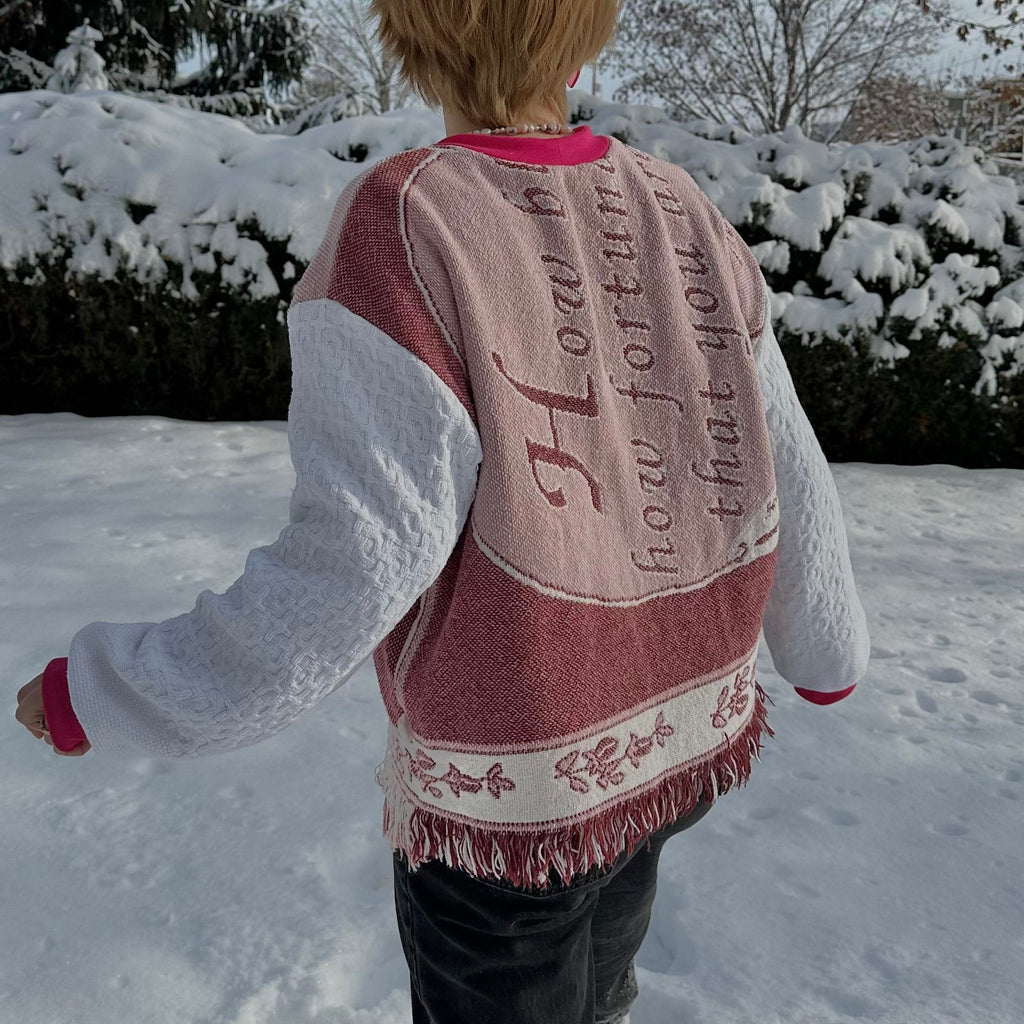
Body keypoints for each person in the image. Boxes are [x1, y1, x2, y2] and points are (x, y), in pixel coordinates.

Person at [15, 1, 871, 1021]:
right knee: (597, 984)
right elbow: (783, 451)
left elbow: (361, 555)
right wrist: (827, 649)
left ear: (409, 32)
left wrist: (113, 691)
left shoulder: (408, 217)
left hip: (518, 794)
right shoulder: (676, 202)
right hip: (670, 746)